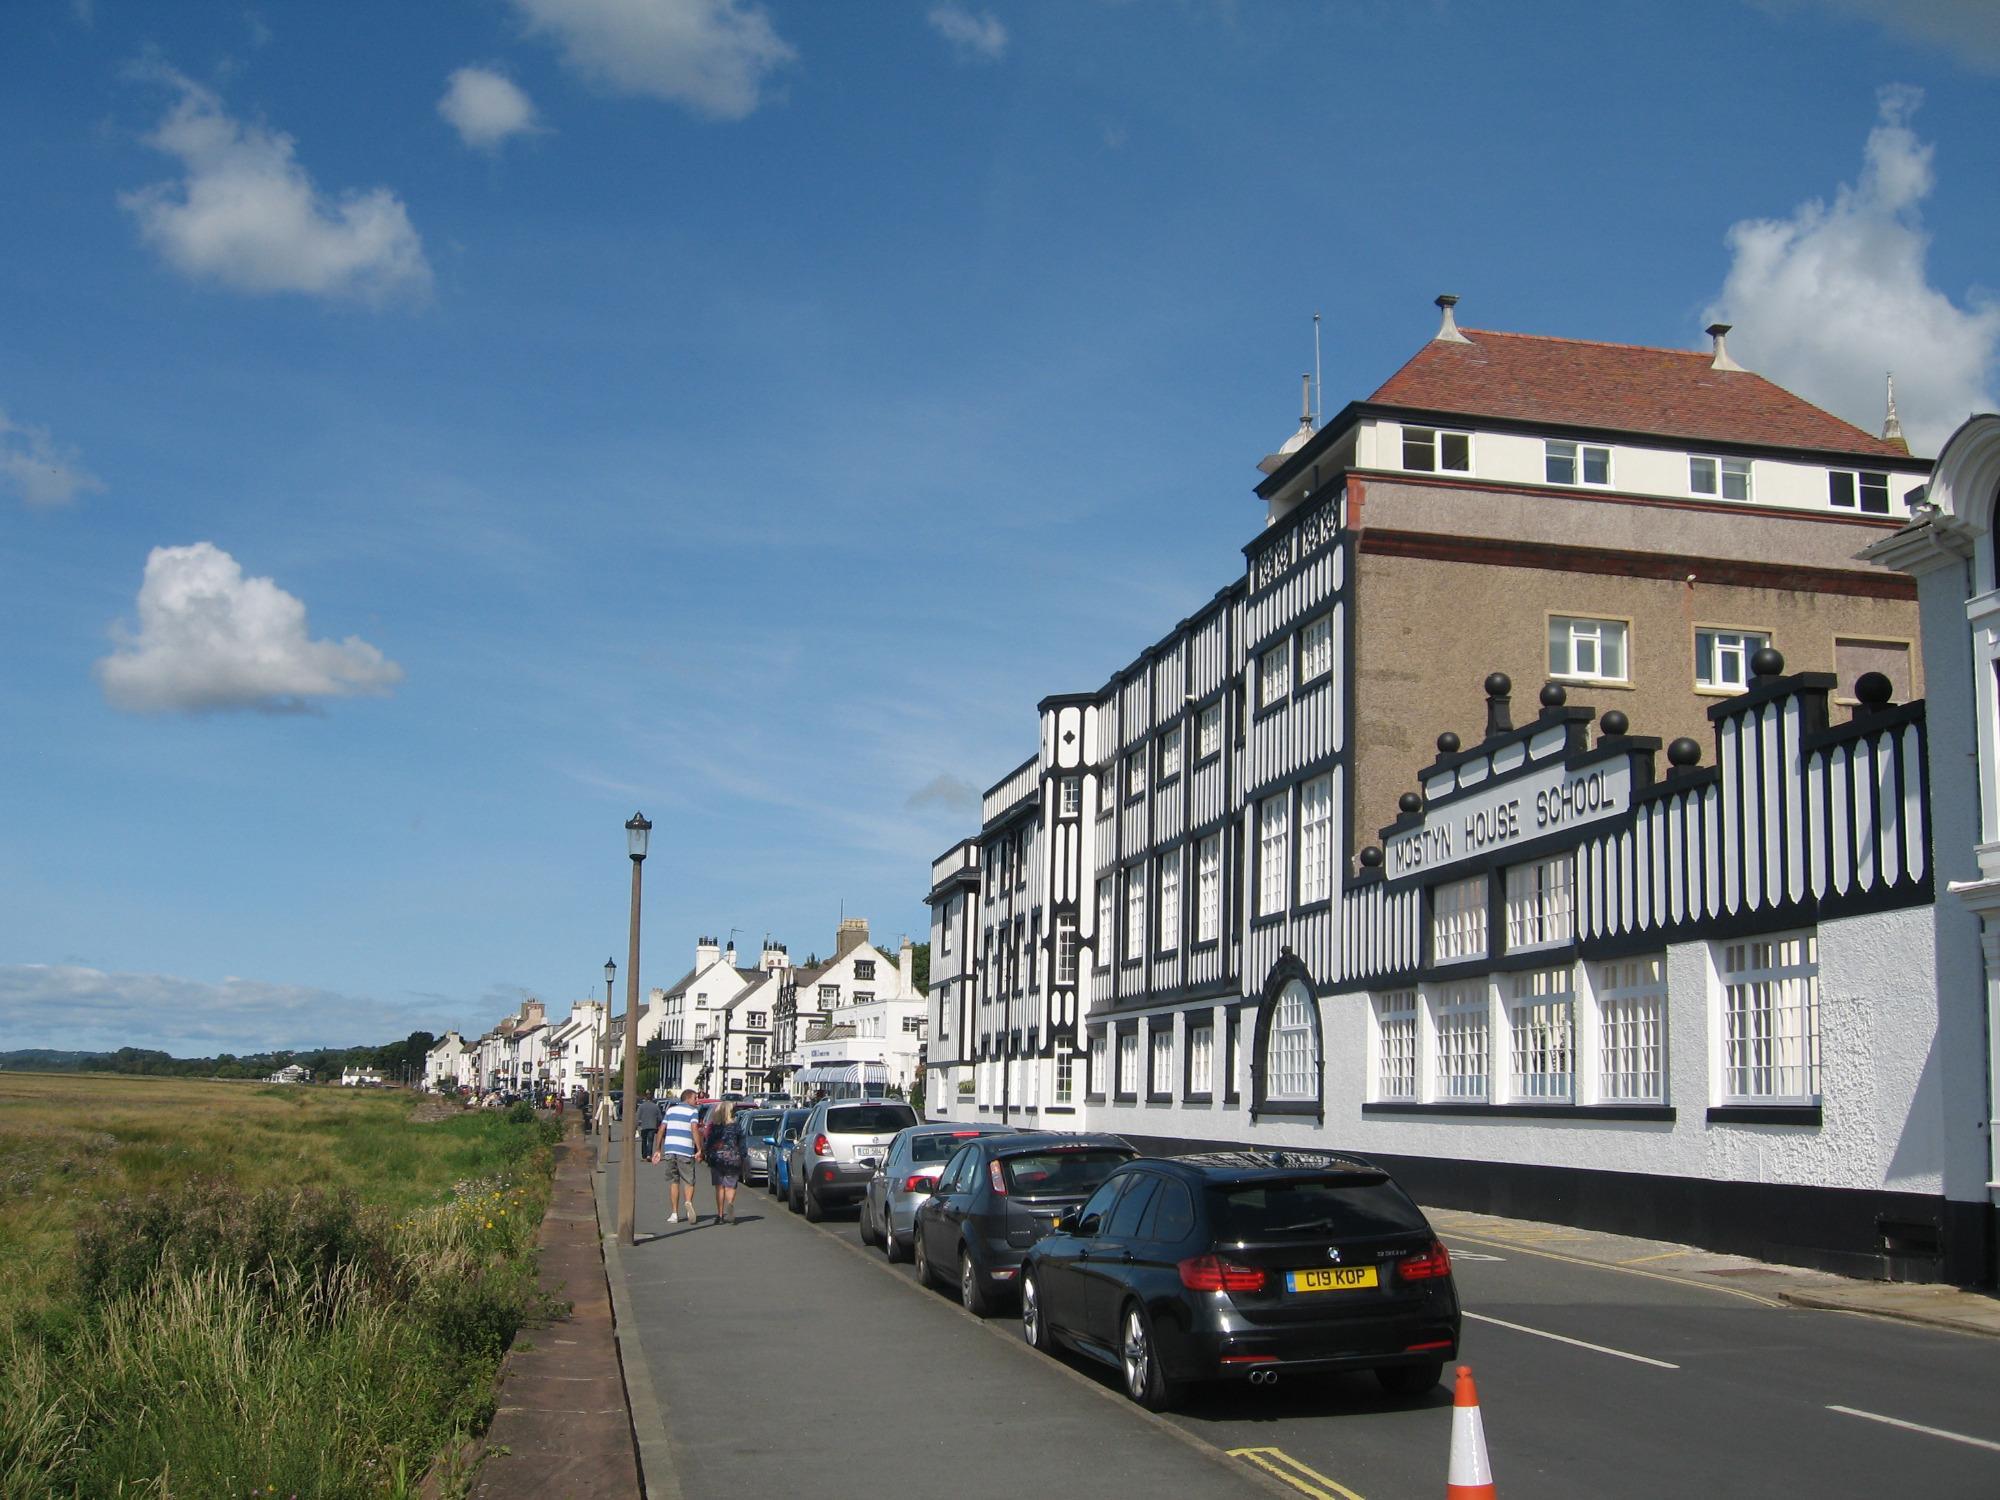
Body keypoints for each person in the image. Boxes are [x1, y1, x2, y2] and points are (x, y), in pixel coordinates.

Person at [657, 1088, 705, 1225]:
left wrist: (658, 1149)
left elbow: (661, 1129)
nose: (697, 1100)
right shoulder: (693, 1111)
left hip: (670, 1149)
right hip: (685, 1149)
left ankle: (674, 1213)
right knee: (689, 1180)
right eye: (695, 1098)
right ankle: (688, 1202)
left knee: (674, 1181)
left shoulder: (671, 1110)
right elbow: (694, 1129)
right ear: (688, 1098)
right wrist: (699, 1148)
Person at [703, 1100, 747, 1225]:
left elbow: (709, 1143)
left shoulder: (715, 1128)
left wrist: (705, 1152)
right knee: (731, 1185)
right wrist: (742, 1156)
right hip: (733, 1159)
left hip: (717, 1159)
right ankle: (730, 1204)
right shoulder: (737, 1126)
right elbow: (742, 1144)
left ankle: (720, 1214)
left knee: (719, 1187)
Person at [634, 1091, 664, 1165]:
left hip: (644, 1126)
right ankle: (649, 1155)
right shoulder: (655, 1106)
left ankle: (644, 1155)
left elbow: (637, 1117)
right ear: (652, 1099)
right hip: (652, 1126)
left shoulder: (641, 1106)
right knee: (650, 1141)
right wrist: (658, 1124)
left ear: (645, 1098)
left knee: (644, 1141)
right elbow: (660, 1118)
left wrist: (636, 1126)